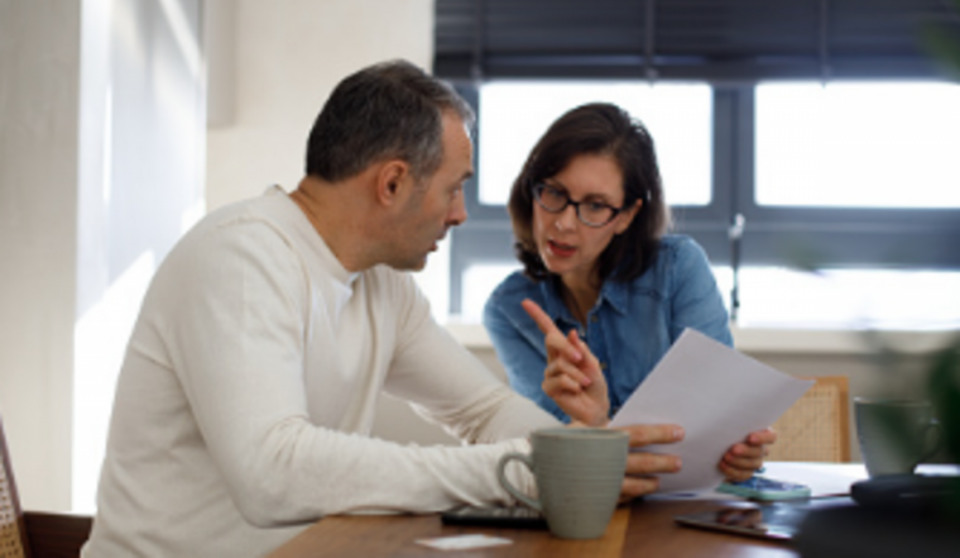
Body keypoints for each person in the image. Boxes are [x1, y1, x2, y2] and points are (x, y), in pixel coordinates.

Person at [83, 62, 701, 557]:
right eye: (454, 187)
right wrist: (519, 471)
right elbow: (272, 472)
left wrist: (581, 455)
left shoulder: (382, 285)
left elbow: (482, 410)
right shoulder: (242, 256)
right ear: (392, 183)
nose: (460, 214)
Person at [483, 102, 774, 479]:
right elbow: (555, 445)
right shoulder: (508, 310)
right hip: (587, 498)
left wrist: (739, 451)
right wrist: (594, 428)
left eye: (595, 205)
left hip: (683, 502)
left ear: (626, 216)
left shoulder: (678, 268)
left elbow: (721, 418)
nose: (565, 223)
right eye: (554, 193)